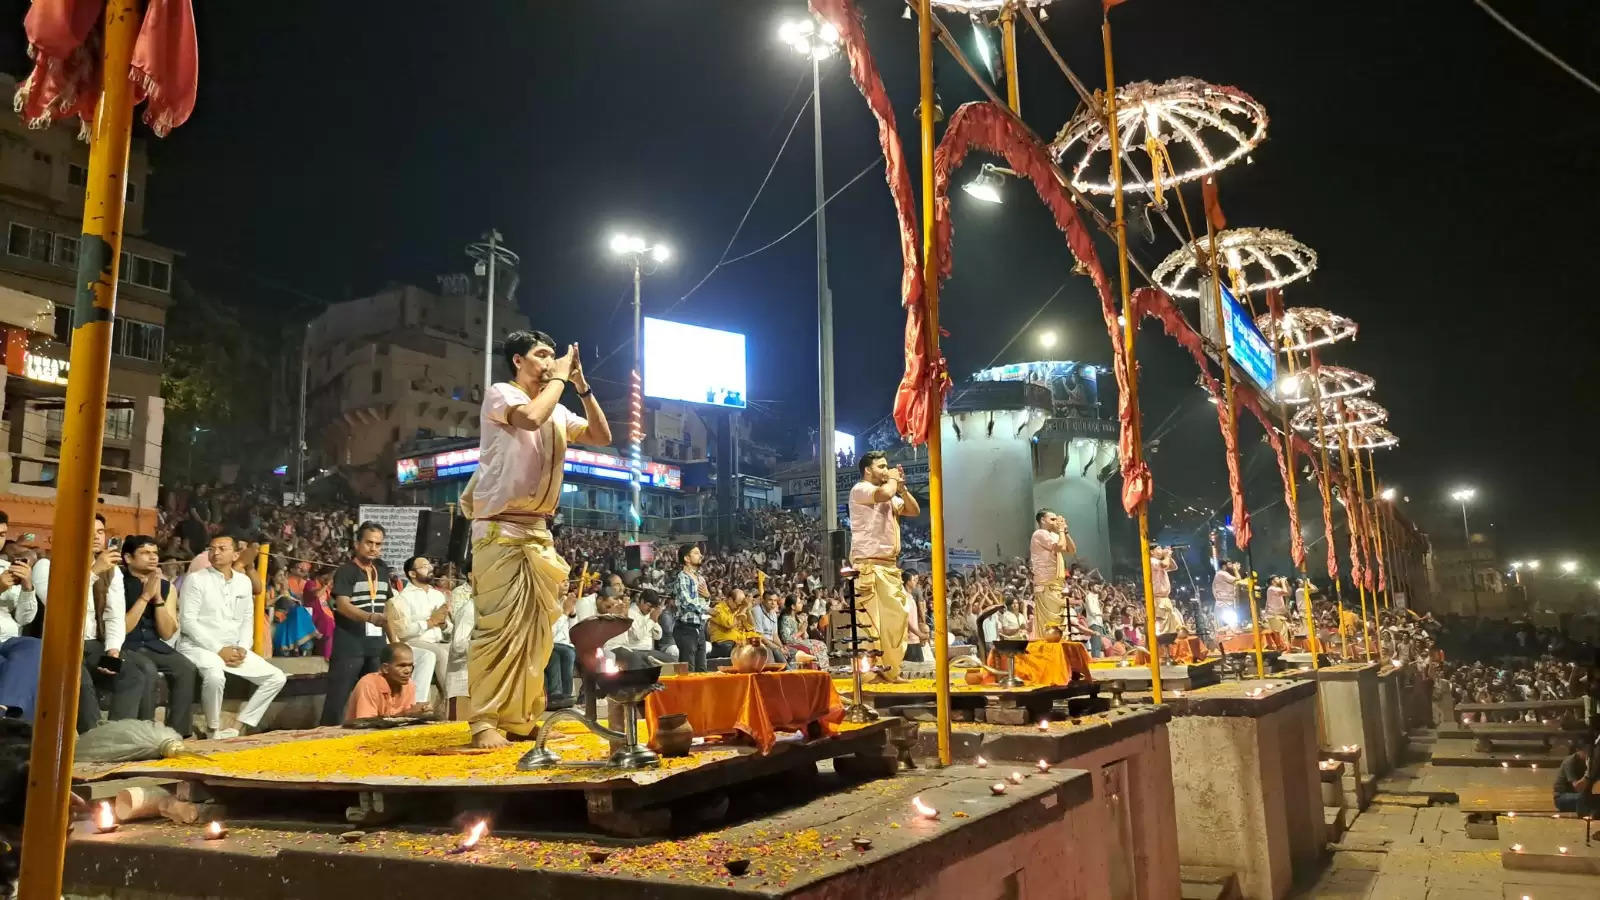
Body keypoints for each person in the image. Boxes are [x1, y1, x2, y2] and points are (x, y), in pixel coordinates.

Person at [459, 329, 611, 749]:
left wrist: (581, 385)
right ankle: (483, 720)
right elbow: (529, 418)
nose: (549, 362)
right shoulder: (501, 394)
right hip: (499, 528)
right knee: (497, 628)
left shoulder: (558, 409)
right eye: (542, 355)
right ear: (518, 361)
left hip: (537, 530)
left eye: (552, 356)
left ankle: (520, 716)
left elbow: (602, 437)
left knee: (538, 631)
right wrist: (561, 379)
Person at [36, 514, 148, 733]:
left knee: (132, 675)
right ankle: (93, 737)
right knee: (80, 679)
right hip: (61, 645)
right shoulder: (48, 565)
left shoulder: (111, 570)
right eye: (89, 530)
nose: (96, 537)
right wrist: (94, 571)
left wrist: (113, 650)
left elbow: (114, 615)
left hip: (93, 643)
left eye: (100, 531)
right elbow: (58, 605)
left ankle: (116, 736)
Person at [177, 534, 287, 739]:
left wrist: (244, 647)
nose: (215, 552)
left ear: (236, 554)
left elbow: (247, 618)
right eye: (212, 549)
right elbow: (188, 622)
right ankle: (213, 730)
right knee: (215, 675)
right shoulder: (195, 579)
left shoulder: (243, 582)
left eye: (221, 548)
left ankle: (238, 726)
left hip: (234, 647)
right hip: (198, 646)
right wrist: (219, 649)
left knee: (276, 678)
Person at [848, 451, 920, 682]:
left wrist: (903, 489)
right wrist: (892, 480)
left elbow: (913, 510)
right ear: (868, 470)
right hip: (868, 565)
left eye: (887, 466)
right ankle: (870, 675)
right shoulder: (861, 489)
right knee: (869, 622)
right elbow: (884, 492)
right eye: (881, 466)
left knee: (896, 619)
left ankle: (890, 670)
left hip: (889, 567)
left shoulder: (889, 493)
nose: (886, 470)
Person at [120, 535, 199, 737]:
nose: (153, 557)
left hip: (154, 645)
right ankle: (146, 732)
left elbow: (166, 632)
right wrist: (144, 596)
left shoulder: (167, 588)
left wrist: (157, 599)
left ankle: (178, 732)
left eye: (155, 553)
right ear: (128, 558)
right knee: (147, 669)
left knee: (185, 667)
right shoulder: (117, 582)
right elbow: (122, 629)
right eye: (145, 553)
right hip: (124, 645)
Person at [319, 523, 394, 727]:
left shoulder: (382, 570)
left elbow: (387, 607)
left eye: (378, 544)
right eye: (369, 542)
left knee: (374, 697)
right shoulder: (346, 571)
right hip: (349, 643)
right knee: (338, 698)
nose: (373, 548)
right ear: (357, 544)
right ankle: (325, 738)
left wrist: (394, 642)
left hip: (376, 644)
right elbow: (343, 606)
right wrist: (370, 618)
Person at [388, 556, 451, 708]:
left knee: (460, 651)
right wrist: (429, 622)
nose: (430, 569)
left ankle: (464, 698)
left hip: (439, 641)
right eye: (424, 566)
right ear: (412, 574)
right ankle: (451, 700)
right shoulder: (405, 597)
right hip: (415, 641)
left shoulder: (437, 595)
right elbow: (403, 632)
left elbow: (449, 628)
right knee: (440, 654)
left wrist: (443, 625)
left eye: (429, 566)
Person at [0, 551, 42, 721]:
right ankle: (12, 718)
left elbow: (24, 619)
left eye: (2, 535)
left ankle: (7, 713)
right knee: (13, 667)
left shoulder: (5, 567)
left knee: (36, 647)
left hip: (9, 640)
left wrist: (27, 587)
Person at [343, 643, 430, 723]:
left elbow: (406, 722)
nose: (408, 671)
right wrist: (405, 714)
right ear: (385, 668)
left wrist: (420, 713)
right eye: (402, 666)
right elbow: (366, 724)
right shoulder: (368, 684)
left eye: (410, 665)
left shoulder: (409, 685)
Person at [1028, 509, 1076, 638]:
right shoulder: (1039, 533)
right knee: (1050, 626)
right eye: (1052, 519)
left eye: (1057, 519)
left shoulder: (1055, 535)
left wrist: (1065, 532)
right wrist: (1060, 530)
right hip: (1046, 584)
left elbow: (1072, 549)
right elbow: (1060, 547)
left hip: (1057, 583)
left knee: (1059, 625)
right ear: (1043, 520)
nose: (1056, 522)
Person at [671, 544, 710, 672]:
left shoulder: (700, 578)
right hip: (686, 628)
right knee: (688, 670)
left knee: (702, 669)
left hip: (700, 628)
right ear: (687, 558)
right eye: (696, 553)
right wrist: (707, 609)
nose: (701, 556)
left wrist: (708, 596)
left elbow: (705, 602)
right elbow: (686, 602)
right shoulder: (682, 577)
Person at [545, 588, 577, 710]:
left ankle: (567, 696)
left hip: (565, 645)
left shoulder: (566, 602)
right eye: (563, 581)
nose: (566, 584)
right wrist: (565, 613)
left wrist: (573, 614)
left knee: (569, 653)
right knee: (555, 655)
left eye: (567, 581)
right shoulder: (547, 602)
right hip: (549, 643)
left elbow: (574, 630)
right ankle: (555, 695)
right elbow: (549, 633)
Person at [708, 588, 758, 659]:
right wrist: (743, 607)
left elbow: (751, 627)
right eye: (738, 604)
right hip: (723, 644)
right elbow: (730, 624)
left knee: (758, 644)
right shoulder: (718, 609)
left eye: (741, 604)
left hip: (738, 641)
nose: (739, 607)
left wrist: (748, 610)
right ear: (730, 600)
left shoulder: (739, 608)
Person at [1553, 739, 1591, 814]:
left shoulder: (1589, 762)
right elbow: (1577, 787)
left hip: (1578, 795)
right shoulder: (1569, 762)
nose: (1588, 754)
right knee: (1586, 799)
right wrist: (1588, 773)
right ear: (1578, 751)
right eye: (1586, 751)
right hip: (1562, 797)